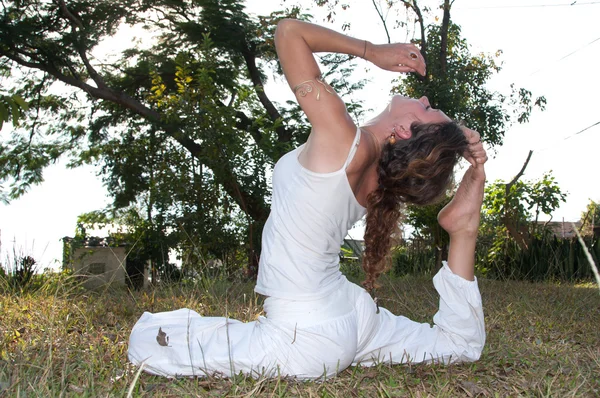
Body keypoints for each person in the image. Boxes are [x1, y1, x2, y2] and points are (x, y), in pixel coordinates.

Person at [128, 19, 488, 380]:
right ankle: (463, 230)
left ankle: (463, 225)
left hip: (305, 339)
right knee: (459, 343)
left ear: (403, 130)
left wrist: (371, 51)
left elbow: (288, 33)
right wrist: (455, 142)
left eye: (428, 109)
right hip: (354, 319)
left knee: (152, 342)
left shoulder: (342, 138)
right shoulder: (377, 176)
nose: (424, 99)